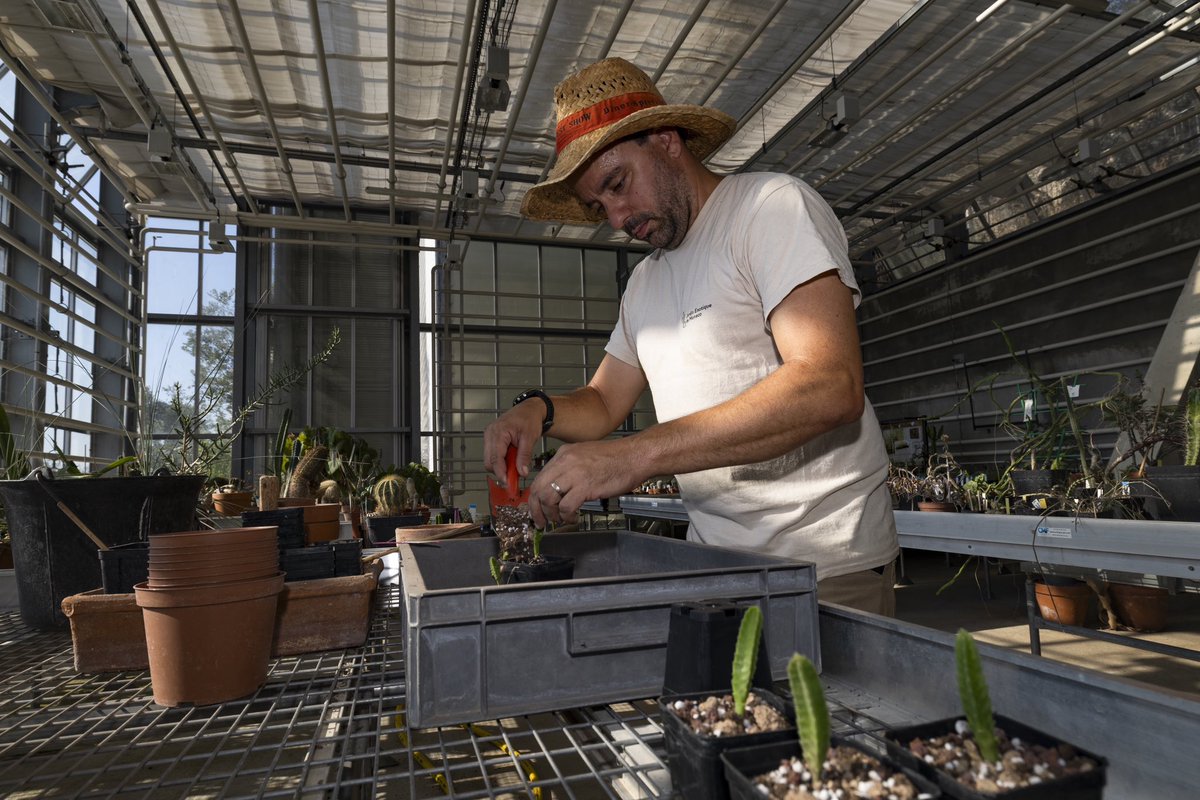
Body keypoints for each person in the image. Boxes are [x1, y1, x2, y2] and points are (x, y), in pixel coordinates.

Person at [483, 58, 898, 615]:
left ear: (666, 139)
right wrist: (536, 410)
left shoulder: (768, 210)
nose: (617, 217)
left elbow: (830, 384)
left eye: (618, 184)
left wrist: (632, 457)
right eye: (600, 206)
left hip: (822, 565)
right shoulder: (645, 283)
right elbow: (603, 401)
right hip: (712, 566)